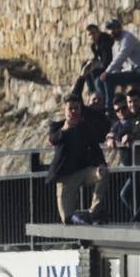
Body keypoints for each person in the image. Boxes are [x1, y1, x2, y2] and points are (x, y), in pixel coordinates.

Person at [47, 95, 107, 223]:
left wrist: (102, 164)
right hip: (65, 178)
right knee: (67, 219)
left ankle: (93, 212)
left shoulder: (86, 127)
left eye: (76, 108)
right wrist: (64, 130)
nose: (73, 112)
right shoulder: (57, 126)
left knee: (102, 172)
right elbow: (53, 139)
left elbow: (96, 148)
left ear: (80, 109)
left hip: (83, 172)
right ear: (65, 110)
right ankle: (80, 221)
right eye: (70, 109)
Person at [100, 18, 140, 95]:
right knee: (99, 80)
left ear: (119, 28)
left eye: (114, 28)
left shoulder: (127, 38)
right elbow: (117, 65)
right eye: (109, 29)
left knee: (108, 78)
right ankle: (102, 102)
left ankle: (108, 106)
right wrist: (111, 74)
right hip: (129, 71)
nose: (111, 31)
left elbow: (120, 57)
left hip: (139, 73)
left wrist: (107, 72)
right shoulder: (116, 42)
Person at [73, 23, 115, 105]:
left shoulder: (104, 42)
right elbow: (97, 57)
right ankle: (92, 93)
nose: (92, 36)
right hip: (103, 64)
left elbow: (107, 60)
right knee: (85, 66)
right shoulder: (94, 45)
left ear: (98, 32)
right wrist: (91, 61)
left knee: (93, 71)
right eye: (90, 34)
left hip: (110, 66)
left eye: (94, 33)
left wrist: (96, 64)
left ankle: (97, 96)